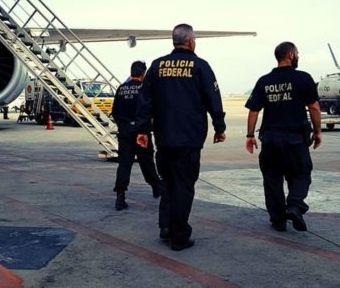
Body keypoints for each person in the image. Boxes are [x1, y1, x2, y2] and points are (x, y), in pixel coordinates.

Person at [136, 24, 226, 251]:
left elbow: (145, 101)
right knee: (184, 185)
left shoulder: (157, 66)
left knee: (168, 182)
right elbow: (213, 98)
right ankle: (179, 236)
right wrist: (219, 125)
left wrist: (142, 131)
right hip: (189, 138)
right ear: (191, 41)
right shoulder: (200, 66)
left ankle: (165, 226)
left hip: (164, 137)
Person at [245, 41, 322, 232]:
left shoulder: (264, 80)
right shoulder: (303, 78)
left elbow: (253, 110)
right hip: (295, 139)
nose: (298, 56)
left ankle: (278, 220)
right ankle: (295, 205)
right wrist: (318, 131)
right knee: (301, 174)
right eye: (297, 53)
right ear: (291, 55)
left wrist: (249, 135)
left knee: (272, 179)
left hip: (270, 140)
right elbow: (314, 107)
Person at [111, 61, 162, 211]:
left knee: (124, 165)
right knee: (147, 162)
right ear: (143, 74)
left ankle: (120, 197)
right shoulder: (145, 88)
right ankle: (156, 187)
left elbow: (115, 112)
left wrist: (123, 126)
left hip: (125, 132)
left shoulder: (121, 89)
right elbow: (151, 110)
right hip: (142, 132)